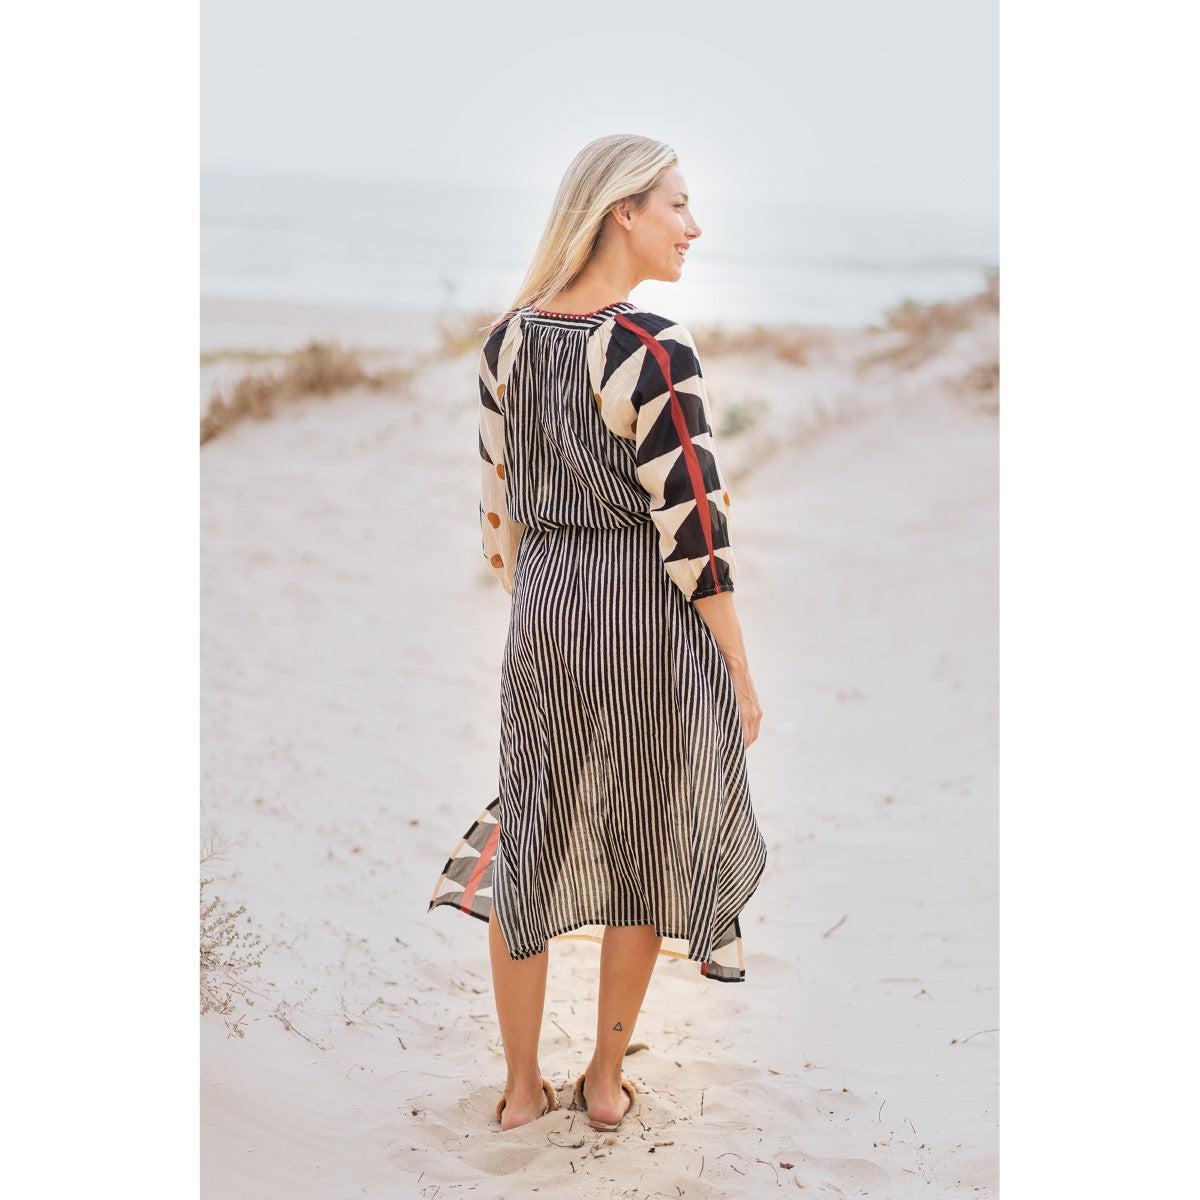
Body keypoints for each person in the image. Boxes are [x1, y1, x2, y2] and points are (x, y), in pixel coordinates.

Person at [428, 133, 768, 1133]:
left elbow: (498, 508)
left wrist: (541, 603)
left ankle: (519, 1088)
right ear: (623, 210)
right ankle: (606, 1083)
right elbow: (695, 524)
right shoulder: (653, 348)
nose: (693, 226)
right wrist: (738, 666)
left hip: (543, 605)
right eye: (677, 205)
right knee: (646, 835)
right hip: (646, 609)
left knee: (533, 832)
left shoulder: (507, 340)